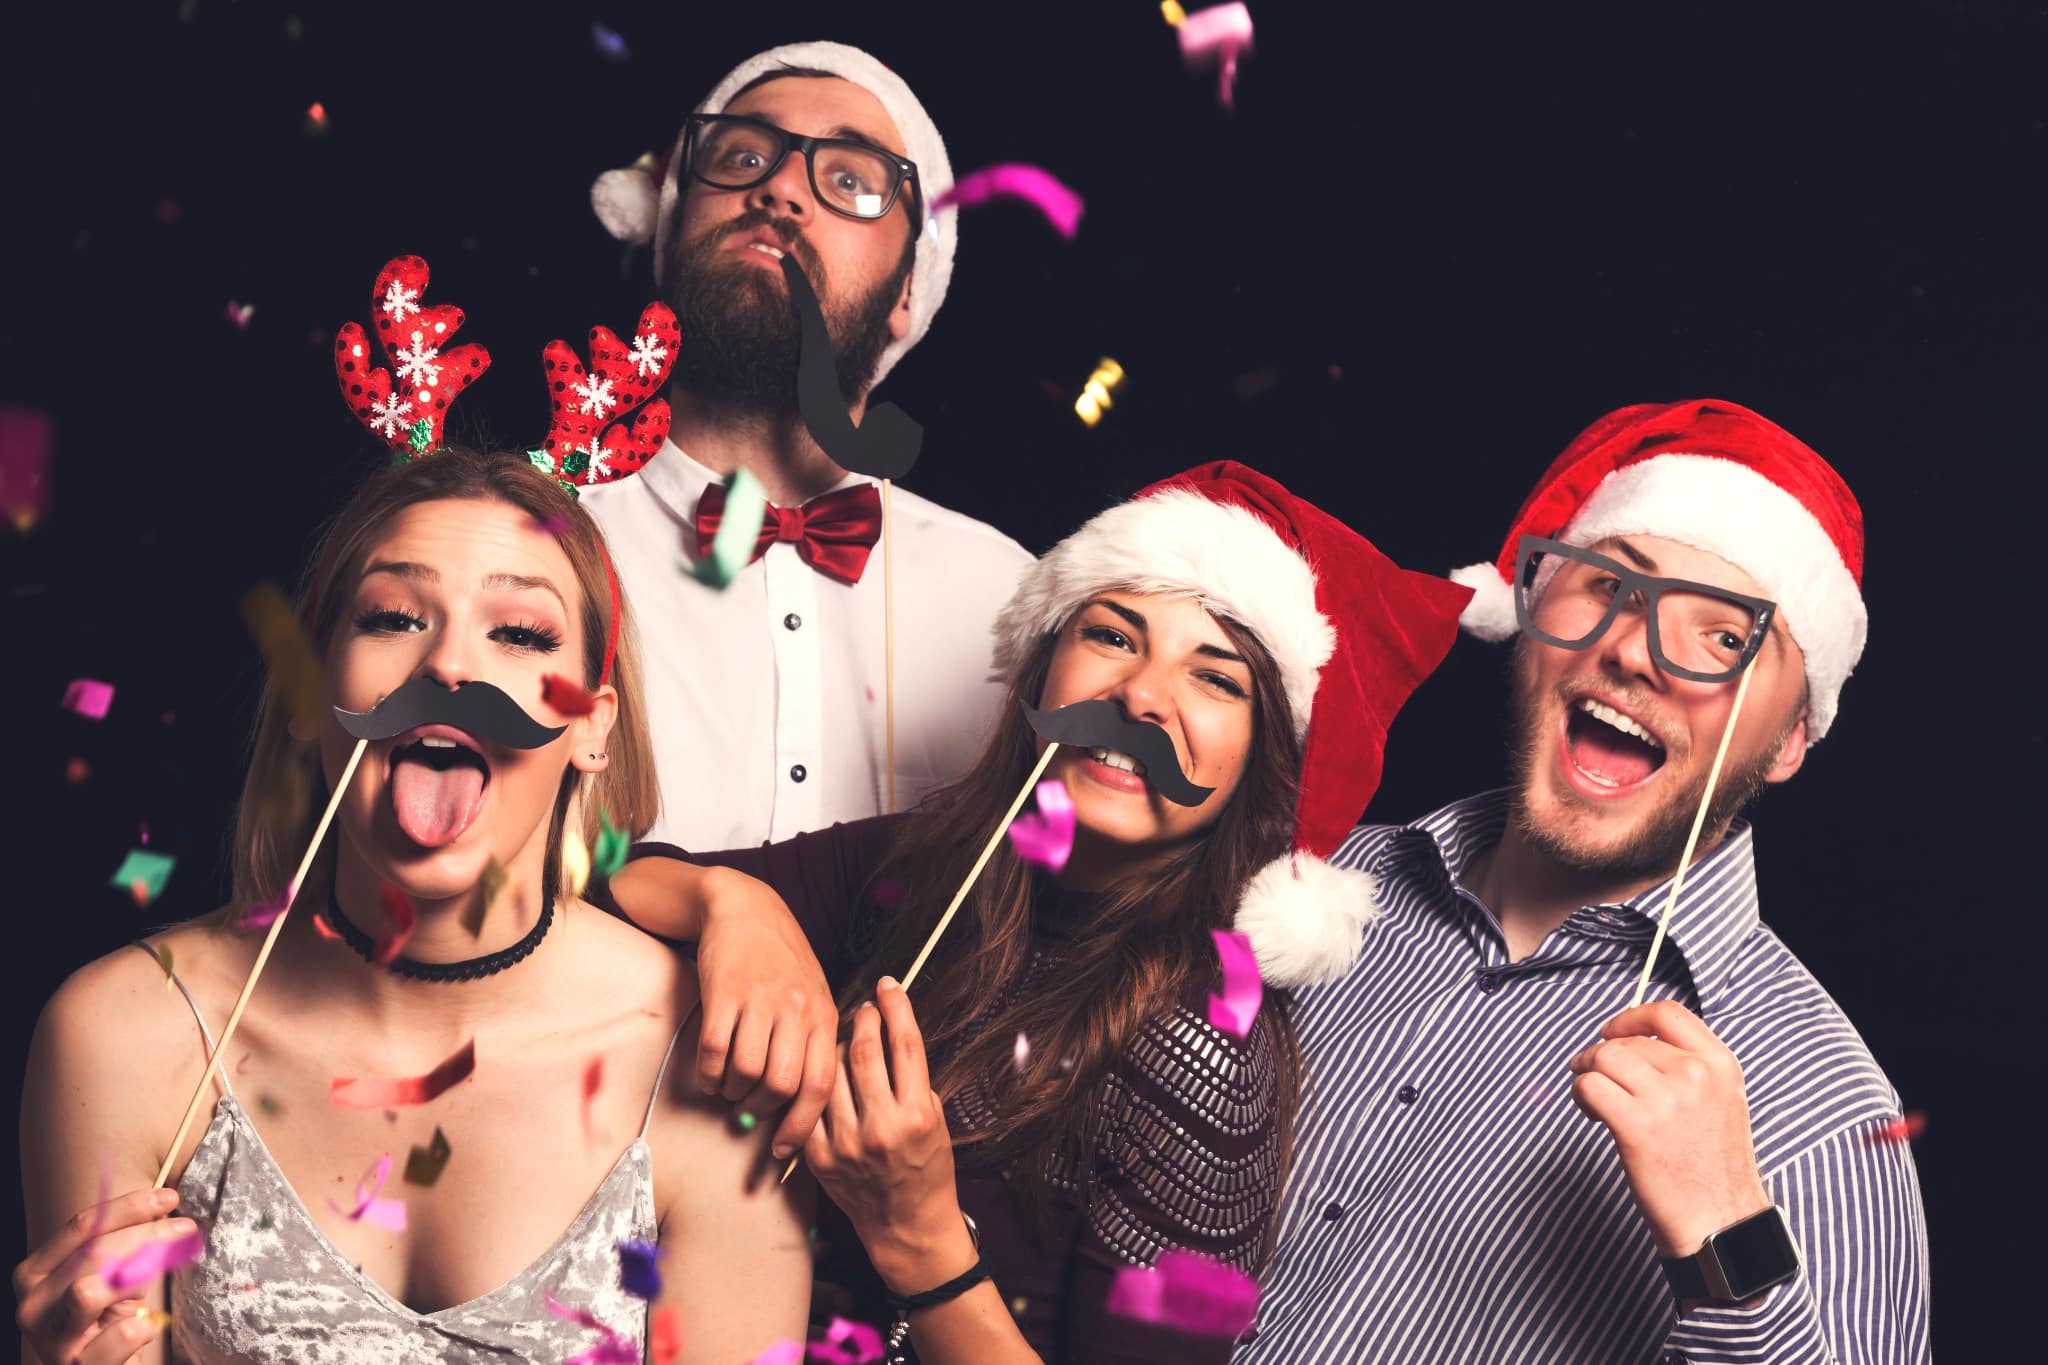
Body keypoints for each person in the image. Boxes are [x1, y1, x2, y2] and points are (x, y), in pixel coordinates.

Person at [609, 462, 1473, 1362]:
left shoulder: (1205, 1044)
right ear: (1045, 666)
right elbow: (598, 891)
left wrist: (922, 1239)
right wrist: (732, 903)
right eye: (1112, 634)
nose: (1140, 695)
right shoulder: (930, 859)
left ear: (1259, 761)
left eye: (1215, 680)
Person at [15, 444, 810, 1364]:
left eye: (520, 633)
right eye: (393, 616)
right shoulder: (125, 1034)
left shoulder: (711, 1069)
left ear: (591, 727)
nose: (450, 667)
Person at [1238, 400, 1931, 1362]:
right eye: (1606, 582)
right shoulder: (1316, 886)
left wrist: (1728, 1238)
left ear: (1789, 740)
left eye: (1724, 638)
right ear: (1529, 614)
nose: (1635, 650)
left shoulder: (1819, 1111)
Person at [583, 41, 1033, 853]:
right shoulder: (539, 547)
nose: (782, 188)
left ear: (908, 291)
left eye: (851, 179)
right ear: (671, 227)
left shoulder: (1010, 606)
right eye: (743, 154)